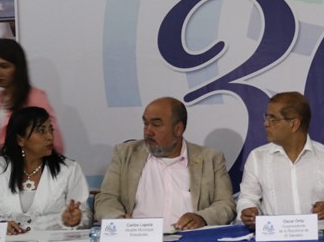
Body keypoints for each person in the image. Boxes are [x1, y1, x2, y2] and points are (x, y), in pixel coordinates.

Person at [94, 96, 235, 230]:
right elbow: (107, 198)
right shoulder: (126, 154)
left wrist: (202, 218)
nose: (148, 131)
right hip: (137, 241)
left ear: (178, 129)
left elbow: (225, 204)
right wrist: (117, 219)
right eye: (145, 123)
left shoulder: (210, 158)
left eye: (156, 124)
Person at [237, 91, 324, 227]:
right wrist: (247, 210)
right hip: (273, 241)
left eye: (273, 118)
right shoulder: (257, 158)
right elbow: (247, 198)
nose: (266, 124)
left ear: (294, 124)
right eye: (266, 117)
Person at [0, 106, 91, 234]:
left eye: (51, 130)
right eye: (41, 131)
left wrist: (75, 220)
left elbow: (86, 217)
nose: (50, 137)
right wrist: (0, 226)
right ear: (20, 140)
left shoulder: (69, 169)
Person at [0, 38, 64, 160]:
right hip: (0, 174)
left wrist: (3, 153)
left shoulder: (35, 98)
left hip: (28, 176)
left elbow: (54, 145)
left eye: (4, 66)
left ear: (18, 67)